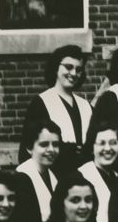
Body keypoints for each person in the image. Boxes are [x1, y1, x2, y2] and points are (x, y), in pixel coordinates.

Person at [19, 45, 91, 178]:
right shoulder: (41, 103)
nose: (74, 73)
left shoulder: (85, 105)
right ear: (56, 67)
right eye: (68, 67)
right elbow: (27, 150)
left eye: (79, 69)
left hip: (84, 179)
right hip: (54, 177)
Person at [11, 120, 61, 222]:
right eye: (44, 145)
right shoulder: (21, 178)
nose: (51, 150)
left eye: (55, 144)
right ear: (29, 148)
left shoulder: (53, 176)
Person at [77, 121, 118, 222]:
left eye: (113, 143)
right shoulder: (82, 176)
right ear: (92, 147)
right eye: (101, 143)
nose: (108, 148)